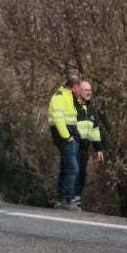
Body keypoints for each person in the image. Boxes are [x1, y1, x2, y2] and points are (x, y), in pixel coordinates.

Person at [48, 72, 88, 209]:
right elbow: (59, 120)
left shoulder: (68, 96)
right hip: (66, 137)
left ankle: (61, 198)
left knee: (66, 167)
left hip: (71, 136)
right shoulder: (59, 97)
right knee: (73, 168)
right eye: (80, 88)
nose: (81, 91)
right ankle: (69, 199)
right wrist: (66, 136)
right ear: (75, 86)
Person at [71, 82, 104, 210]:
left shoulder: (91, 110)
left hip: (85, 148)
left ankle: (76, 200)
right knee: (74, 173)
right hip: (73, 146)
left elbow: (95, 131)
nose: (88, 92)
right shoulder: (73, 107)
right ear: (79, 91)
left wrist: (99, 149)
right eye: (85, 90)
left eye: (90, 90)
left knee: (82, 175)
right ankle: (71, 200)